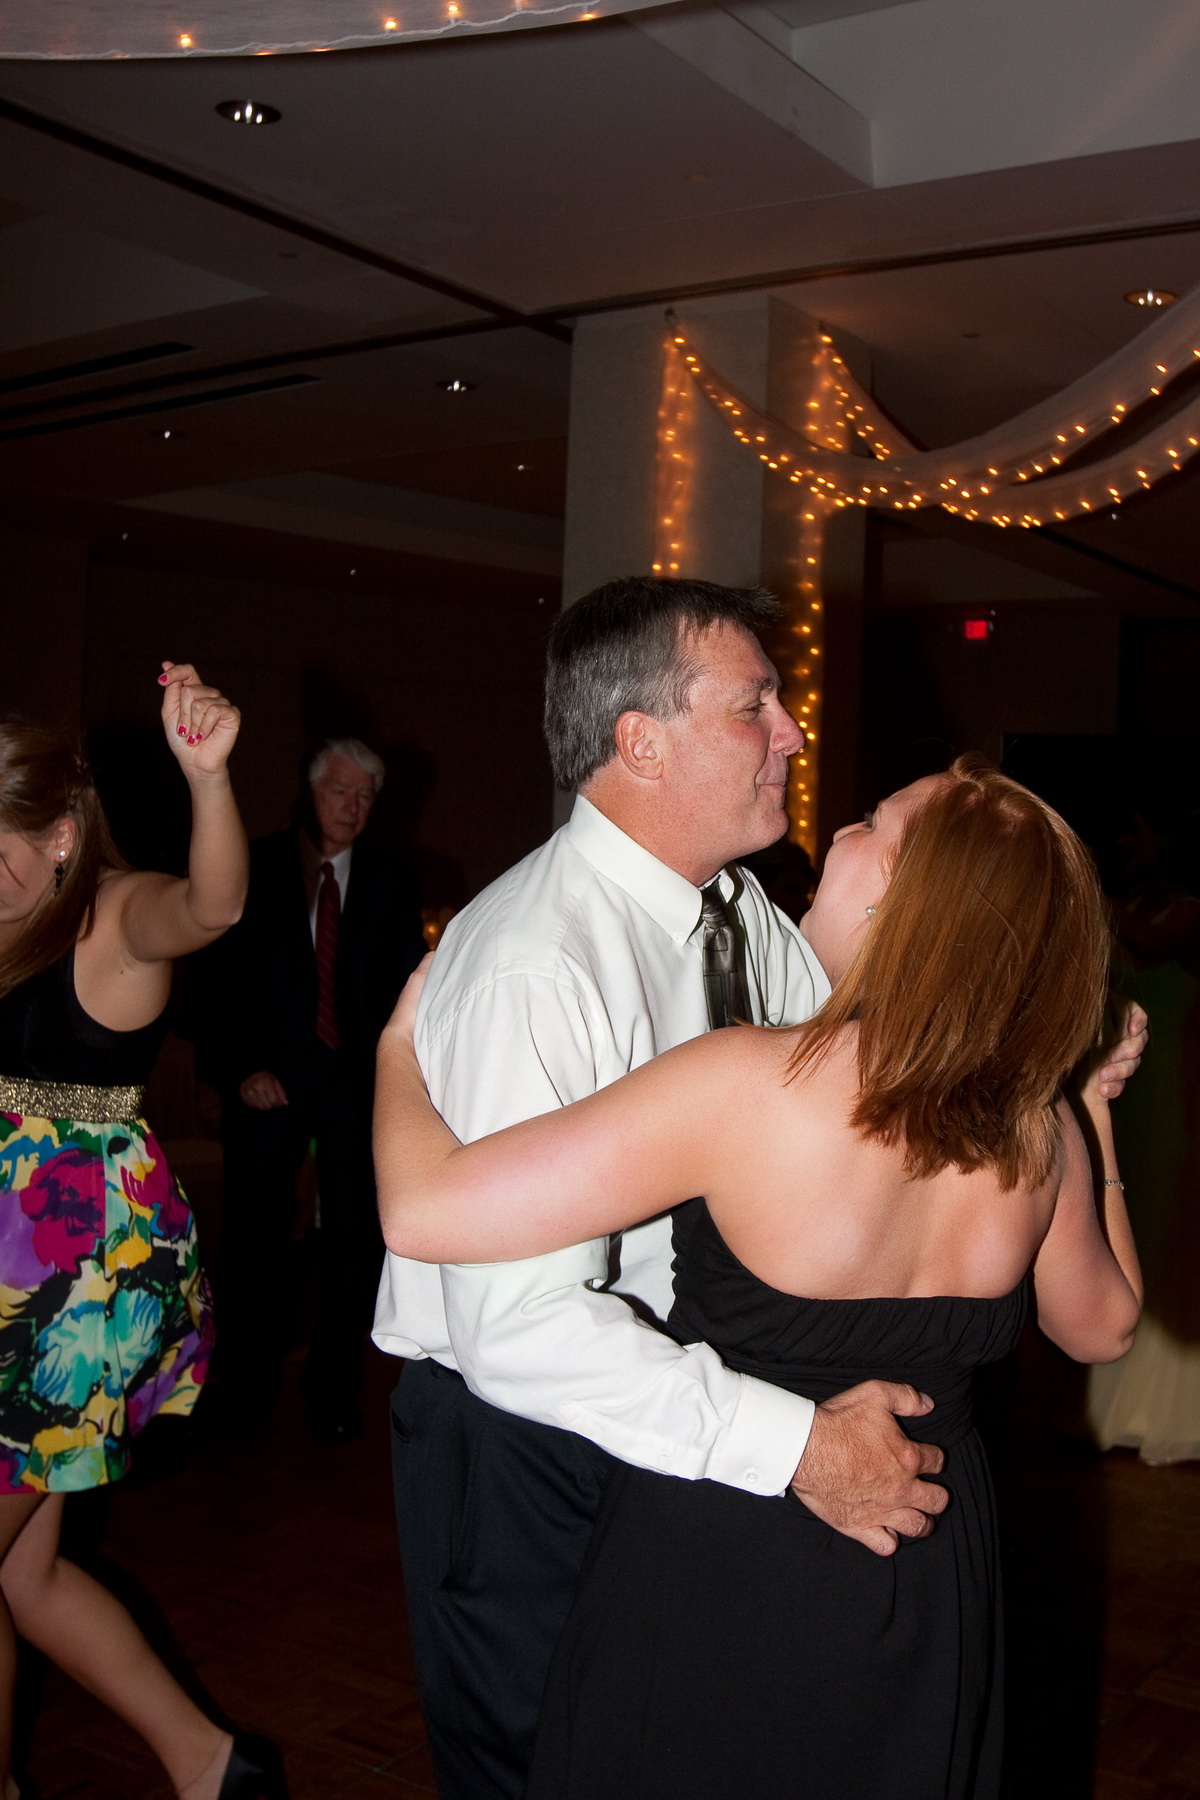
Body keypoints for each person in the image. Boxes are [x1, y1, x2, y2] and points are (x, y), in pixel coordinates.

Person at [371, 575, 1146, 1800]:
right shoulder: (535, 962)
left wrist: (391, 1058)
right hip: (547, 1442)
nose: (793, 734)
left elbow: (865, 1085)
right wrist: (796, 1445)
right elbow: (512, 1322)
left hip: (746, 1457)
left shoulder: (750, 925)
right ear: (641, 741)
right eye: (757, 705)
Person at [0, 669, 285, 1800]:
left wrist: (209, 780)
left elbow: (211, 907)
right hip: (16, 1293)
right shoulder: (11, 921)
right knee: (25, 1579)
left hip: (77, 1294)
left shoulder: (116, 918)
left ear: (61, 835)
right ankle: (214, 1768)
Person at [206, 738, 424, 1440]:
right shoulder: (255, 865)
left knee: (355, 1249)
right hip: (266, 1089)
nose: (352, 807)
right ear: (309, 792)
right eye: (340, 792)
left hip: (354, 1095)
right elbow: (218, 983)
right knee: (253, 1247)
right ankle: (241, 1392)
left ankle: (331, 1392)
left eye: (365, 797)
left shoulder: (390, 882)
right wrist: (241, 1069)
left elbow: (408, 989)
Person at [1088, 806, 1200, 1463]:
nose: (1127, 840)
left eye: (1139, 829)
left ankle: (1168, 1405)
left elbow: (1154, 947)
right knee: (1121, 1221)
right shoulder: (1125, 908)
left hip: (1177, 1095)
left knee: (1165, 1228)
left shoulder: (1189, 912)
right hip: (1126, 1090)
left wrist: (1087, 889)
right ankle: (1118, 1399)